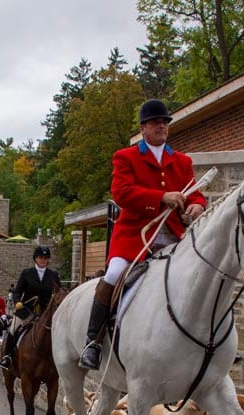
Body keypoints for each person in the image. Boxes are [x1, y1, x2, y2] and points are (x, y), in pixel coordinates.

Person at [78, 99, 207, 370]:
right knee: (113, 274)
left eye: (165, 122)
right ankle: (94, 342)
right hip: (135, 237)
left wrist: (196, 206)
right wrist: (161, 197)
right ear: (143, 128)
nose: (162, 125)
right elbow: (122, 193)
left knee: (199, 274)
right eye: (156, 122)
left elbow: (194, 192)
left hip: (173, 236)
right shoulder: (126, 157)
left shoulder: (182, 161)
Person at [0, 246, 62, 370]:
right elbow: (17, 291)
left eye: (45, 258)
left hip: (46, 312)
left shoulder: (53, 275)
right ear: (35, 259)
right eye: (40, 258)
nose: (43, 260)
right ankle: (7, 356)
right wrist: (17, 301)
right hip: (26, 310)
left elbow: (58, 292)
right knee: (13, 328)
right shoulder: (26, 273)